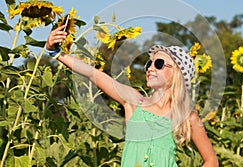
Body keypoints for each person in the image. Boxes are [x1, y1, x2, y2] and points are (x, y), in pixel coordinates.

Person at [45, 25, 219, 167]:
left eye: (159, 64)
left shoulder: (186, 116)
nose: (150, 68)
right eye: (149, 63)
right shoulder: (135, 102)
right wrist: (56, 53)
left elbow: (211, 161)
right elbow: (94, 74)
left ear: (177, 74)